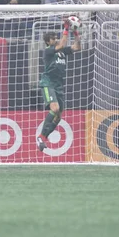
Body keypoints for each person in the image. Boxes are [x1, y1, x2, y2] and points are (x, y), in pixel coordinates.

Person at [36, 21, 81, 152]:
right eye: (53, 38)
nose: (55, 39)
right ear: (47, 41)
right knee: (54, 108)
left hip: (59, 85)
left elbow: (77, 47)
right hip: (48, 82)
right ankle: (39, 136)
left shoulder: (62, 52)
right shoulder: (49, 51)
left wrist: (75, 32)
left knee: (58, 116)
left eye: (56, 37)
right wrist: (66, 29)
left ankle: (43, 137)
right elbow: (62, 44)